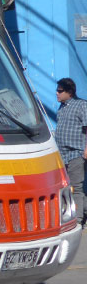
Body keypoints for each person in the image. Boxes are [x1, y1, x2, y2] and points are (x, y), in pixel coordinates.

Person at [54, 77, 87, 226]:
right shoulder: (62, 107)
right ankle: (75, 213)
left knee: (76, 187)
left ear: (70, 92)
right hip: (62, 155)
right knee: (64, 187)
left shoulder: (81, 105)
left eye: (60, 91)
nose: (57, 93)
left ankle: (78, 220)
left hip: (76, 154)